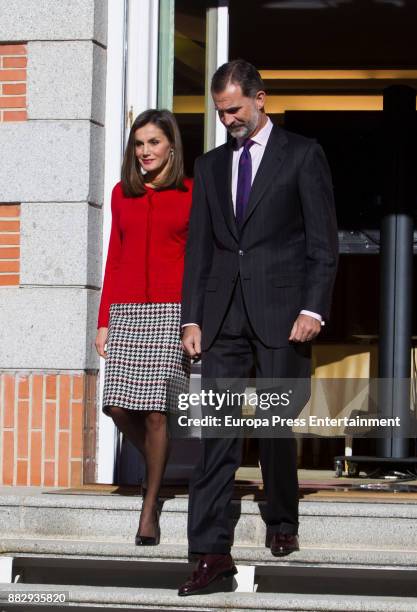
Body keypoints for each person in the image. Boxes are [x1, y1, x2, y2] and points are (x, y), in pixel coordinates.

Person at [179, 60, 338, 596]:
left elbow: (322, 242)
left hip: (283, 315)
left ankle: (283, 521)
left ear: (260, 99)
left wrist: (313, 309)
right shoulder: (208, 166)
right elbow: (200, 248)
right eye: (221, 112)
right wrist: (192, 318)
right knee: (217, 437)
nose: (228, 120)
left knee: (274, 426)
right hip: (222, 316)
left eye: (236, 109)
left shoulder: (303, 155)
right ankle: (209, 554)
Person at [95, 109, 192, 546]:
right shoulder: (122, 194)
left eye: (154, 142)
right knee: (115, 406)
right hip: (128, 312)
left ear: (171, 145)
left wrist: (197, 319)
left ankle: (149, 507)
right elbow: (114, 259)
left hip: (171, 311)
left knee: (156, 411)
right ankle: (161, 464)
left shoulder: (191, 192)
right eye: (139, 144)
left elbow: (199, 262)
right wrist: (103, 321)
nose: (145, 151)